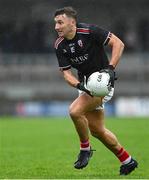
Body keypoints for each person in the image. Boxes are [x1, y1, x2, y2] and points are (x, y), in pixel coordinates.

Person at [54, 6, 138, 175]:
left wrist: (110, 68)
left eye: (60, 22)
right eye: (55, 23)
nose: (56, 27)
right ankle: (127, 161)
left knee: (74, 111)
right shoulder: (60, 45)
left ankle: (85, 149)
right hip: (86, 86)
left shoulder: (89, 31)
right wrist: (79, 86)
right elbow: (66, 74)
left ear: (72, 22)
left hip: (102, 84)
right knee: (98, 131)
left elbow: (118, 44)